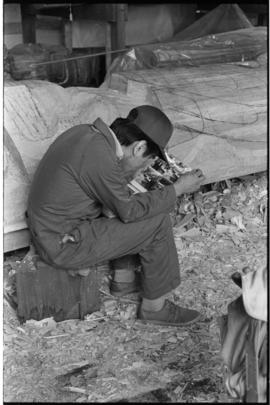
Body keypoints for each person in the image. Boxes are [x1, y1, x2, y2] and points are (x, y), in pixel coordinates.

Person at [26, 105, 205, 326]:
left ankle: (123, 281)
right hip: (61, 243)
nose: (147, 166)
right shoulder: (99, 159)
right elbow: (128, 211)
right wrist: (177, 189)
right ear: (139, 148)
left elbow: (109, 198)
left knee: (129, 206)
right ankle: (154, 309)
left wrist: (132, 176)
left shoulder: (87, 135)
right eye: (148, 160)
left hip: (53, 229)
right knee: (156, 220)